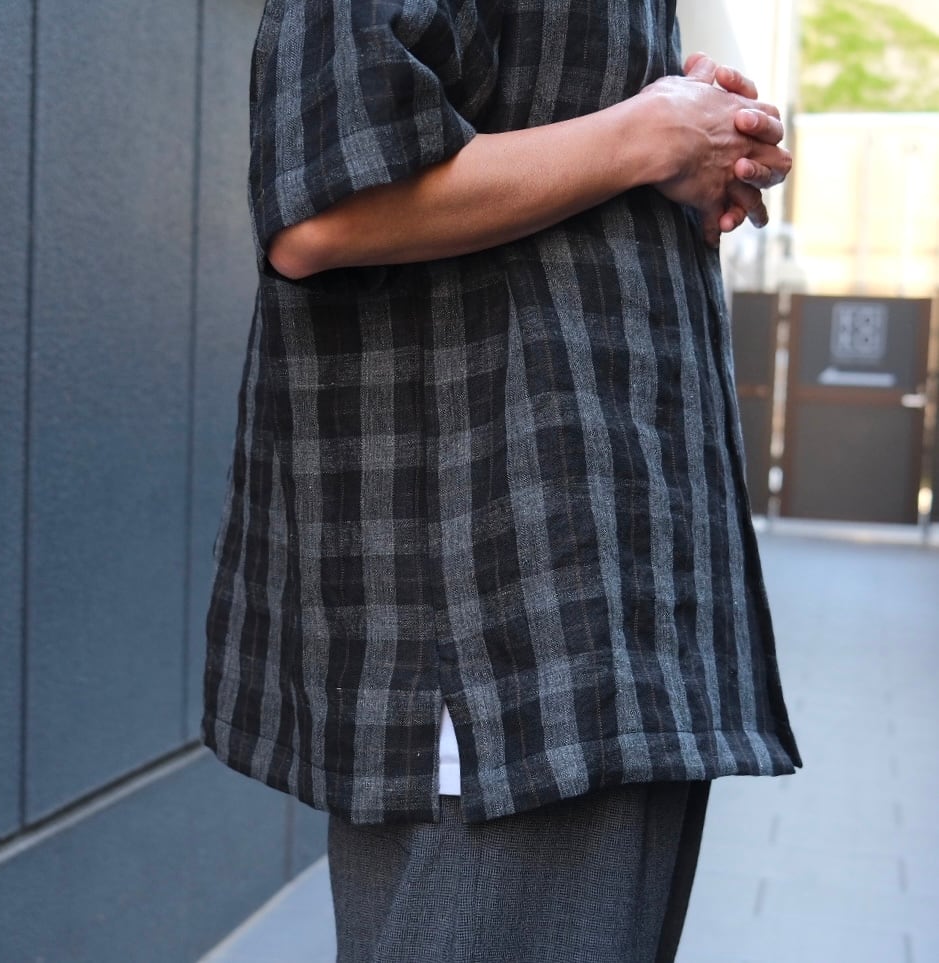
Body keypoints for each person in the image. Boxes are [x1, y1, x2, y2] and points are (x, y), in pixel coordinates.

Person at [202, 0, 802, 959]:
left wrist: (694, 136)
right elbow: (324, 205)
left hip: (610, 583)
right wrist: (648, 132)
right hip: (502, 621)